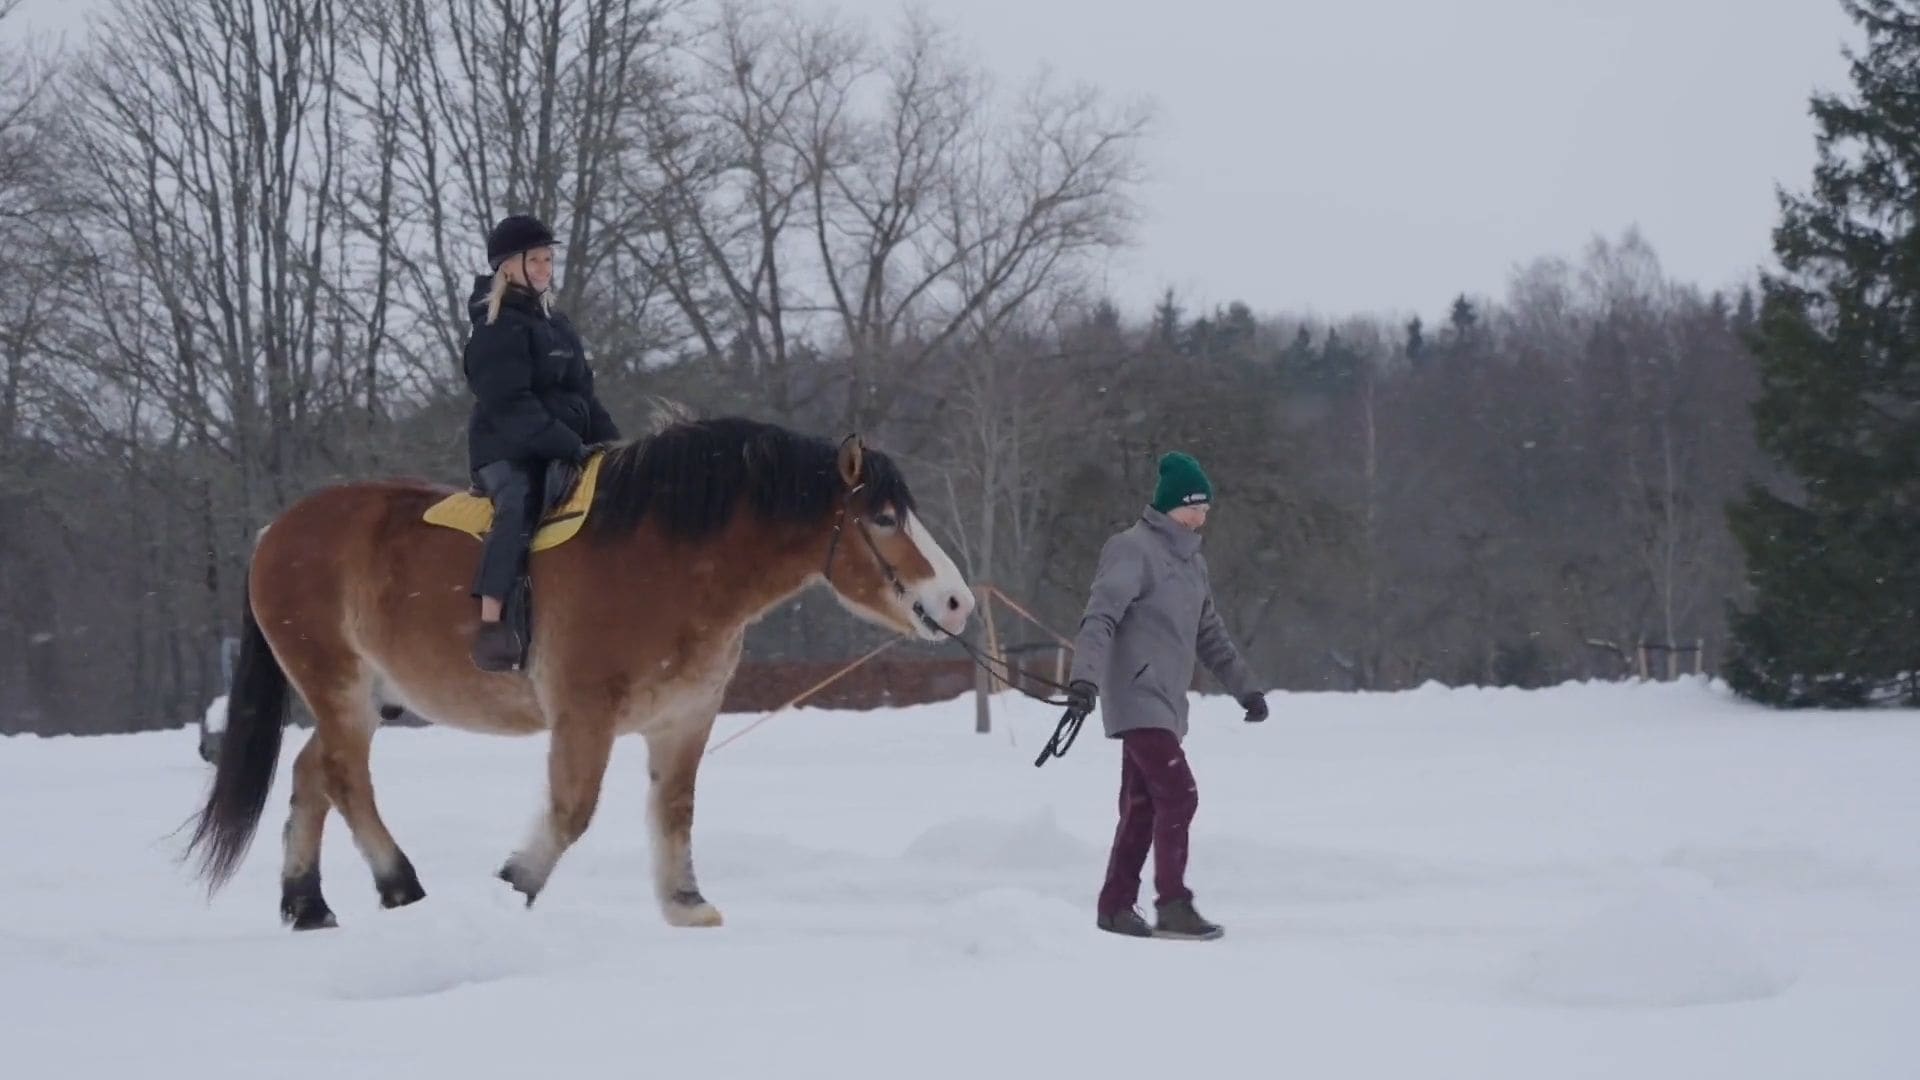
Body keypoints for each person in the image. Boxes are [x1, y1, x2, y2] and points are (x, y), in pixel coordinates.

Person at [1064, 450, 1268, 941]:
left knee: (1142, 805)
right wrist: (1084, 680)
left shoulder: (1192, 564)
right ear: (1170, 506)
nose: (1200, 517)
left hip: (1168, 703)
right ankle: (1172, 902)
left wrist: (1247, 690)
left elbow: (1211, 635)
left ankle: (1115, 905)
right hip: (1137, 697)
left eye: (1205, 509)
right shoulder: (1131, 549)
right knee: (1179, 793)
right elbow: (1100, 617)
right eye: (1193, 507)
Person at [462, 213, 621, 672]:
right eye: (536, 259)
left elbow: (584, 394)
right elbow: (510, 404)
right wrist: (567, 445)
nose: (545, 268)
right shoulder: (495, 329)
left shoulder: (558, 322)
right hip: (506, 449)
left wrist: (615, 448)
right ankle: (493, 619)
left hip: (562, 441)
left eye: (549, 259)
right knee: (521, 501)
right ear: (508, 266)